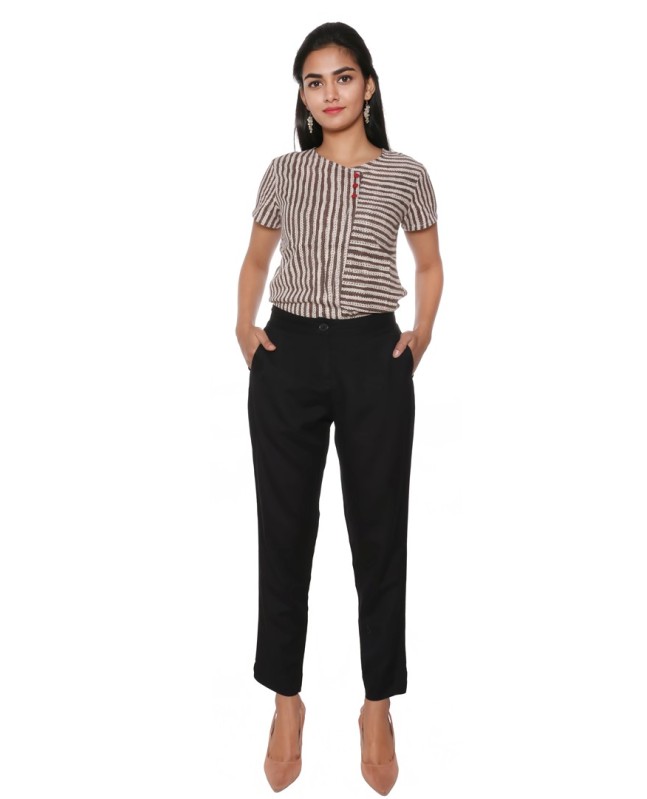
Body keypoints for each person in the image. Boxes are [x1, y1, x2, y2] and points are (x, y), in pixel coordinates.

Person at [235, 21, 444, 794]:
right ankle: (285, 700)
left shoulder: (407, 174)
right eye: (314, 81)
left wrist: (420, 334)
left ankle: (377, 704)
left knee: (380, 531)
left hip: (372, 354)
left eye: (343, 77)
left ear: (369, 85)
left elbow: (429, 263)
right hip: (287, 352)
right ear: (302, 94)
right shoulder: (284, 171)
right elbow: (257, 257)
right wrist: (244, 328)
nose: (329, 93)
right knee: (284, 529)